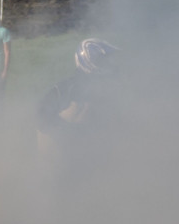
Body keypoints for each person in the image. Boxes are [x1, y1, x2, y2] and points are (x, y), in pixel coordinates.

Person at [37, 38, 124, 167]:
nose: (111, 65)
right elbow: (41, 116)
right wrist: (69, 132)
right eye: (105, 61)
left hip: (86, 159)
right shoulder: (67, 89)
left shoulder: (105, 90)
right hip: (61, 161)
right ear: (91, 61)